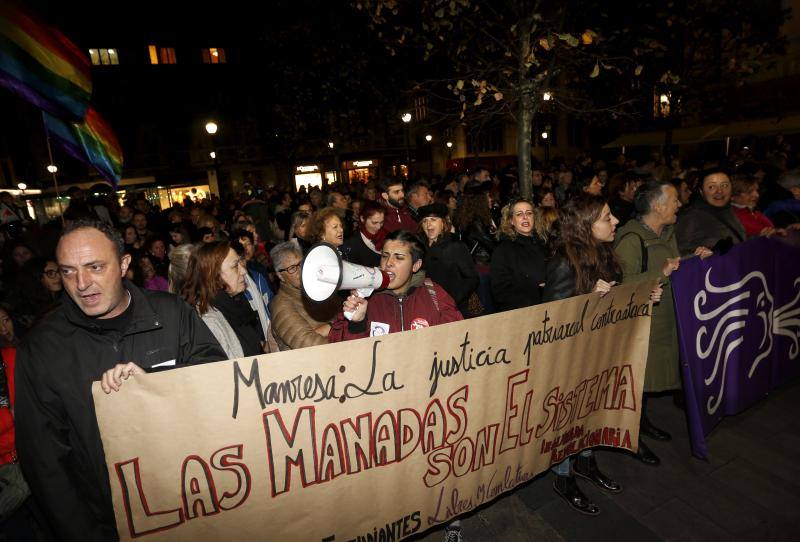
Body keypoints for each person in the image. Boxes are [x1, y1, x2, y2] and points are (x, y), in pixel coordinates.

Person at [14, 219, 226, 541]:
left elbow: (219, 386)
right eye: (68, 271)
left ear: (124, 263)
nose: (82, 283)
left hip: (196, 508)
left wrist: (153, 388)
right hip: (109, 526)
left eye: (95, 267)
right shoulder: (43, 349)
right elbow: (46, 467)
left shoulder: (171, 314)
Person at [543, 195, 662, 516]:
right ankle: (563, 477)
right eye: (607, 218)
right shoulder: (563, 263)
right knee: (570, 418)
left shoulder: (606, 254)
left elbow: (616, 298)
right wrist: (584, 297)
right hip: (570, 360)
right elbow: (549, 318)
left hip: (601, 352)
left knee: (592, 411)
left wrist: (642, 295)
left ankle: (586, 462)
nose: (616, 222)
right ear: (585, 225)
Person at [615, 180, 711, 466]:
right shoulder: (631, 240)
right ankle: (631, 439)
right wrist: (661, 272)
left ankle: (643, 424)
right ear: (657, 206)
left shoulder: (666, 232)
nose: (679, 204)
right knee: (636, 381)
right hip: (641, 323)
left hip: (665, 318)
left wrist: (694, 258)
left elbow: (674, 264)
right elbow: (620, 286)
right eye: (673, 200)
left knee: (649, 379)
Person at [329, 230, 462, 341]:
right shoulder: (365, 297)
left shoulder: (434, 295)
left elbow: (457, 339)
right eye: (385, 256)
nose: (388, 263)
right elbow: (345, 354)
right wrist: (357, 324)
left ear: (416, 265)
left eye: (399, 257)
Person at [181, 241, 267, 359]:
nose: (244, 271)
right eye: (235, 266)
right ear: (213, 275)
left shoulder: (236, 304)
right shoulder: (207, 321)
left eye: (241, 263)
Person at [268, 240, 339, 350]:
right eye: (292, 268)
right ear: (280, 276)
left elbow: (342, 315)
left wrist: (331, 328)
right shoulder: (281, 306)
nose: (300, 271)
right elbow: (310, 345)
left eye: (301, 263)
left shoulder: (315, 288)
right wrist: (336, 330)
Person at [418, 203, 479, 317]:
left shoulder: (455, 246)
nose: (428, 224)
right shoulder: (419, 248)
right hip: (428, 308)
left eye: (433, 219)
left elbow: (472, 278)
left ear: (443, 223)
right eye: (425, 220)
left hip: (455, 309)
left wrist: (452, 299)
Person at [490, 199, 547, 312]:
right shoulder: (503, 250)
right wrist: (536, 290)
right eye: (519, 214)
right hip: (522, 313)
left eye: (529, 213)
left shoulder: (544, 244)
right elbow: (500, 292)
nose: (525, 217)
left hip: (549, 308)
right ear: (511, 220)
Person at [675, 168, 746, 255]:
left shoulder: (729, 210)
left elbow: (739, 240)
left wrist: (759, 236)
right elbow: (679, 252)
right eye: (711, 187)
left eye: (724, 185)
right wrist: (709, 253)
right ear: (701, 192)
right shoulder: (691, 217)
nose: (719, 191)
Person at [341, 200, 386, 267]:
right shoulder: (352, 244)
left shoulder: (388, 236)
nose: (379, 227)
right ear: (362, 218)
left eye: (381, 222)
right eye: (374, 223)